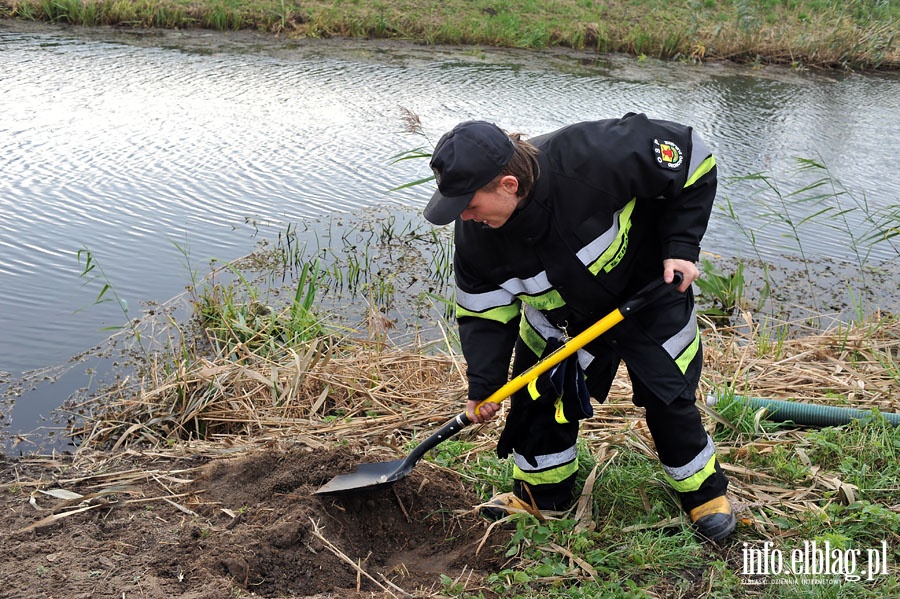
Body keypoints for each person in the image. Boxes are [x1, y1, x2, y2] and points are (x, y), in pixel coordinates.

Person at [422, 114, 735, 542]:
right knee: (540, 400)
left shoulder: (594, 154)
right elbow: (483, 313)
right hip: (561, 321)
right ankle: (541, 496)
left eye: (471, 205)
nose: (466, 217)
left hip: (647, 294)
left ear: (508, 186)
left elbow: (693, 159)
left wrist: (680, 246)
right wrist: (483, 384)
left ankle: (704, 495)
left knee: (668, 398)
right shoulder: (476, 235)